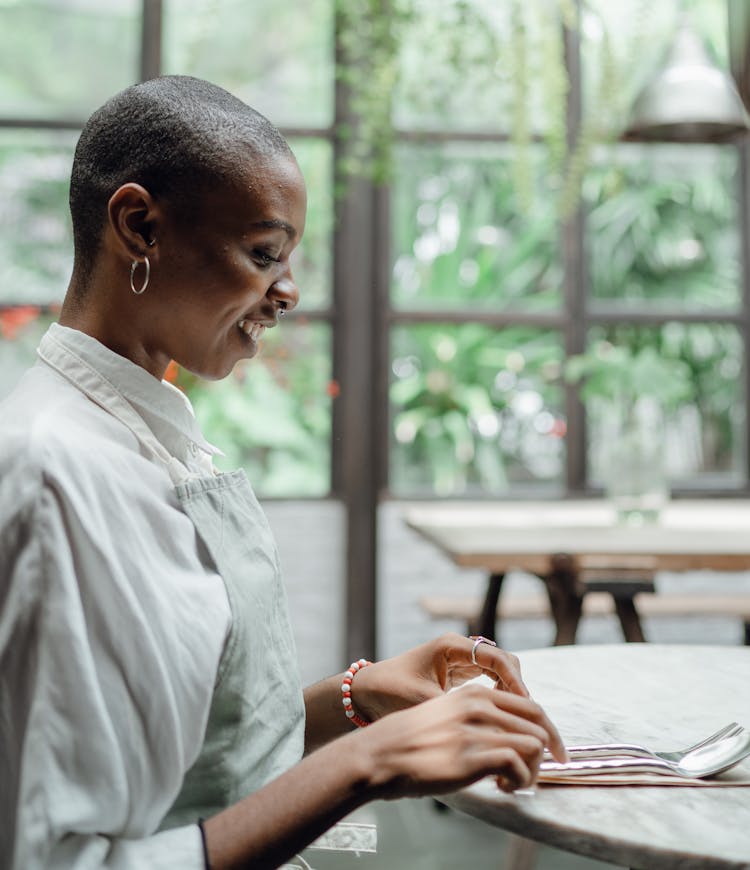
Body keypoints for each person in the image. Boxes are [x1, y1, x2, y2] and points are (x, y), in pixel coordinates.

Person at [0, 75, 567, 870]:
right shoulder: (58, 474)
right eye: (265, 253)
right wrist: (368, 763)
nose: (289, 292)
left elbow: (192, 764)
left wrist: (352, 700)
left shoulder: (144, 432)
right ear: (138, 226)